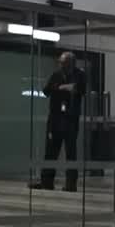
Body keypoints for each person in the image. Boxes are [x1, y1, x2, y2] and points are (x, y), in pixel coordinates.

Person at [35, 51, 86, 192]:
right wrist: (61, 87)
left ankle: (71, 184)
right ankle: (46, 182)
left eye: (64, 63)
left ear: (71, 63)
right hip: (55, 118)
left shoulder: (79, 75)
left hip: (70, 119)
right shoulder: (56, 75)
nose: (61, 65)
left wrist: (69, 88)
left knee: (71, 152)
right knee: (50, 151)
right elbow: (46, 91)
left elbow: (81, 89)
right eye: (61, 63)